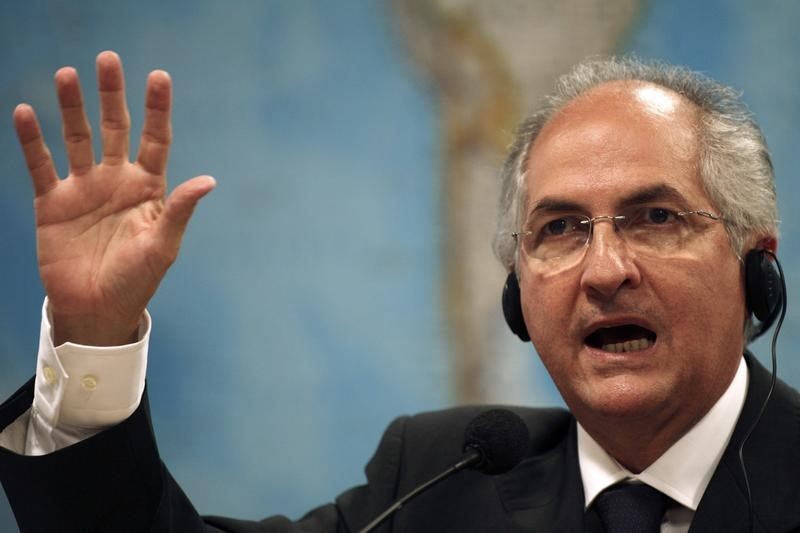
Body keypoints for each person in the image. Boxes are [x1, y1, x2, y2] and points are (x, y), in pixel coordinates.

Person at [0, 50, 797, 533]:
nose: (603, 269)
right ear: (519, 295)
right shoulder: (440, 480)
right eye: (558, 229)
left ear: (754, 263)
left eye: (654, 216)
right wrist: (94, 329)